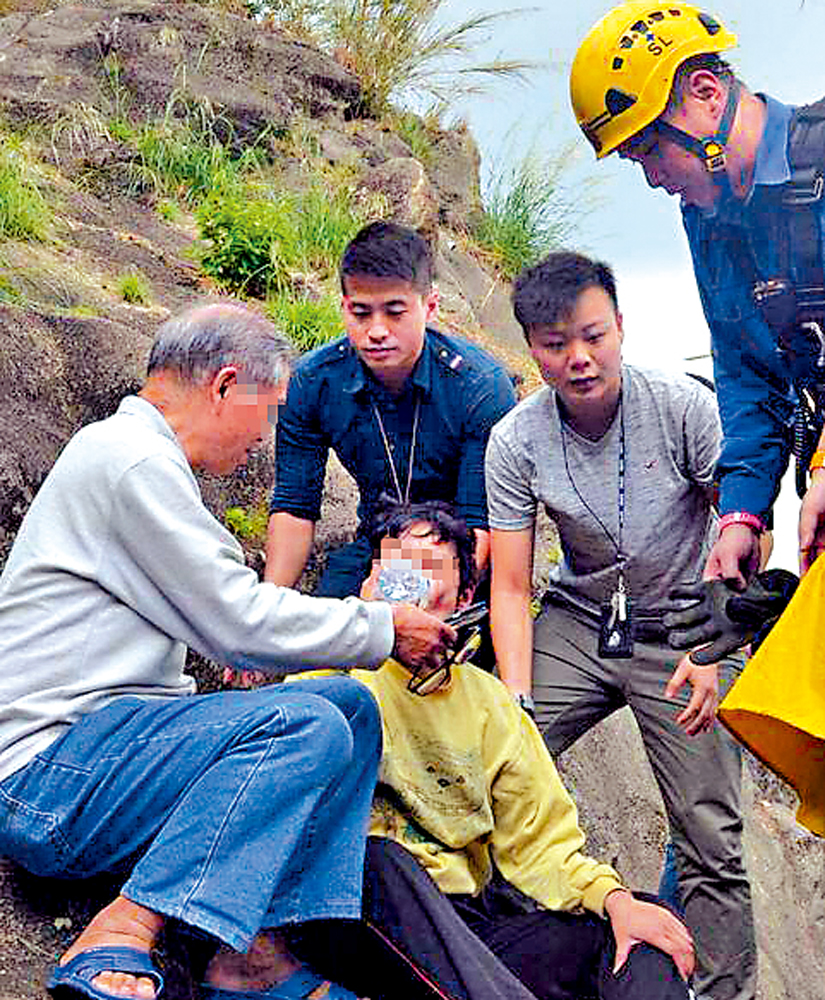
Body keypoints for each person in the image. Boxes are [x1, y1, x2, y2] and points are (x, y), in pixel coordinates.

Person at [0, 302, 454, 1000]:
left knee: (348, 707)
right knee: (302, 724)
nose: (265, 437)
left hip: (109, 752)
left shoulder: (142, 461)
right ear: (223, 385)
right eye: (267, 410)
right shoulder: (127, 460)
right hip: (48, 779)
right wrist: (385, 627)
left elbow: (230, 611)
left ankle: (255, 950)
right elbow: (237, 622)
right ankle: (122, 929)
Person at [485, 252, 755, 1000]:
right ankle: (499, 950)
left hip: (686, 620)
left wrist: (711, 646)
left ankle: (723, 992)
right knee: (489, 763)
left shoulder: (681, 406)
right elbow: (509, 586)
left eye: (592, 336)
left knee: (708, 832)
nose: (577, 358)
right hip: (579, 620)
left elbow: (739, 534)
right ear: (532, 347)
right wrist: (512, 700)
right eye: (553, 343)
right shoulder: (515, 439)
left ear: (619, 328)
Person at [292, 500, 695, 1000]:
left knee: (642, 923)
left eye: (429, 567)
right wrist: (363, 630)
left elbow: (541, 845)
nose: (409, 579)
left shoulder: (491, 706)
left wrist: (613, 900)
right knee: (380, 860)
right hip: (360, 911)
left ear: (463, 598)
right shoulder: (334, 669)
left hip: (465, 926)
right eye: (396, 563)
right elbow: (294, 762)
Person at [570, 0, 825, 582]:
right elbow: (747, 375)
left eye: (651, 149)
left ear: (708, 93)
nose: (654, 179)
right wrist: (741, 516)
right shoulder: (709, 220)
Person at [265, 219, 517, 598]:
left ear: (429, 307)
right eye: (361, 313)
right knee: (315, 643)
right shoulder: (312, 382)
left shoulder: (480, 386)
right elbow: (294, 507)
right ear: (344, 307)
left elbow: (480, 524)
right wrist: (267, 612)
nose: (377, 330)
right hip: (377, 547)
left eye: (395, 312)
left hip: (464, 558)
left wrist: (418, 606)